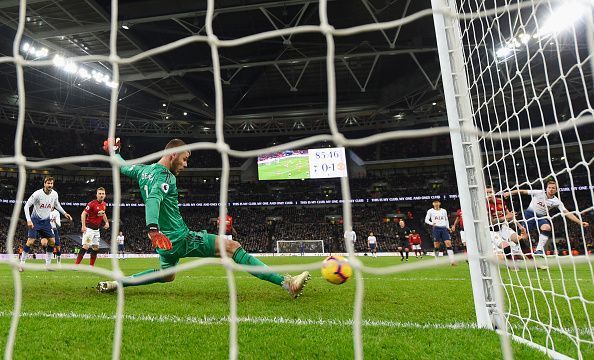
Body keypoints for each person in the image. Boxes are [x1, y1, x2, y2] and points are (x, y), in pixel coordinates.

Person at [96, 138, 310, 298]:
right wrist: (153, 230)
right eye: (185, 159)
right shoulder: (165, 177)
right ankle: (286, 283)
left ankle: (118, 283)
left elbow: (123, 166)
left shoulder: (144, 171)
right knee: (232, 247)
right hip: (179, 238)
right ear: (173, 155)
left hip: (165, 245)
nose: (186, 164)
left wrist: (114, 152)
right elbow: (153, 199)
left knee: (167, 275)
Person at [504, 180, 589, 255]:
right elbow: (522, 191)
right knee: (523, 237)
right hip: (529, 215)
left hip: (540, 217)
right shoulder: (539, 193)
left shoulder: (556, 201)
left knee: (547, 227)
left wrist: (580, 222)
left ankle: (539, 250)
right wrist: (509, 193)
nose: (551, 189)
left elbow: (567, 213)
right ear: (546, 188)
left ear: (556, 190)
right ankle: (514, 250)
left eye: (553, 188)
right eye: (549, 187)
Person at [21, 176, 72, 271]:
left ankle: (48, 265)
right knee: (30, 241)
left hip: (46, 222)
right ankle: (22, 264)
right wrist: (28, 220)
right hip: (35, 220)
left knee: (52, 241)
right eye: (48, 183)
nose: (50, 185)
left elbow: (57, 205)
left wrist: (64, 213)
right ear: (44, 184)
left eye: (51, 183)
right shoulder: (37, 194)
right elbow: (26, 206)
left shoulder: (54, 194)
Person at [76, 187, 110, 266]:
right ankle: (76, 265)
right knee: (86, 246)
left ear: (105, 195)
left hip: (96, 230)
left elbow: (103, 213)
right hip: (89, 230)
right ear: (96, 195)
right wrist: (83, 226)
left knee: (95, 248)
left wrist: (107, 222)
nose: (101, 195)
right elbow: (83, 214)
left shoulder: (104, 204)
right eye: (100, 194)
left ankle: (91, 266)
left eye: (103, 194)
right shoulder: (92, 204)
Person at [425, 199, 455, 265]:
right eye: (435, 202)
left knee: (448, 243)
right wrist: (432, 223)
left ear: (439, 203)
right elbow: (426, 220)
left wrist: (448, 227)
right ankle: (437, 260)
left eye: (437, 202)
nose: (436, 203)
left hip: (444, 228)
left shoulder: (444, 210)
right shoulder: (430, 211)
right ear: (433, 204)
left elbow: (446, 220)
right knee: (437, 245)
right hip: (436, 228)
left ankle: (452, 260)